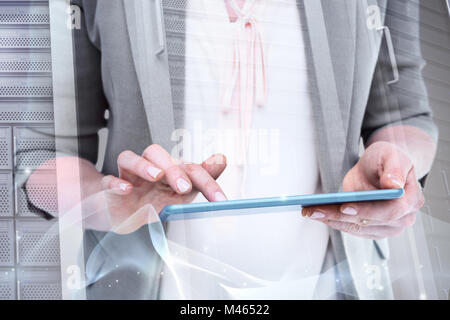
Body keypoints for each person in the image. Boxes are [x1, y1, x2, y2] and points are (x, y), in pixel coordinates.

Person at [26, 0, 437, 299]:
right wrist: (108, 202)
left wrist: (396, 166)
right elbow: (35, 158)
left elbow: (406, 114)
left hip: (325, 286)